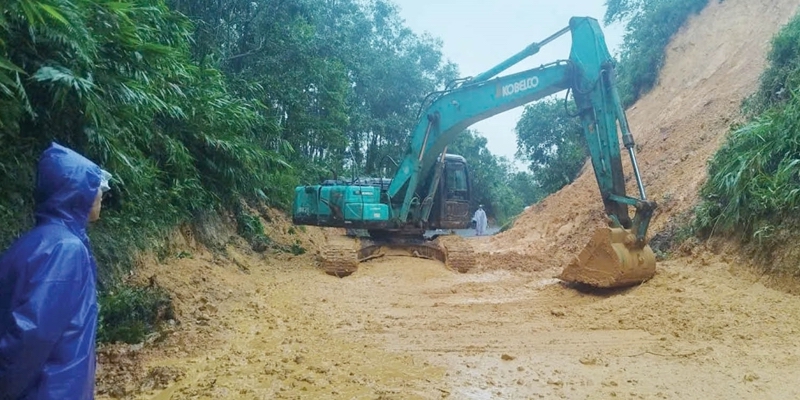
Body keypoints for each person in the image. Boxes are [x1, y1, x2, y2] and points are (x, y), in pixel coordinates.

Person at [0, 142, 112, 400]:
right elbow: (32, 334)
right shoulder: (66, 249)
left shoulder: (33, 242)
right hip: (53, 390)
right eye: (94, 186)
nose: (101, 193)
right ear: (76, 192)